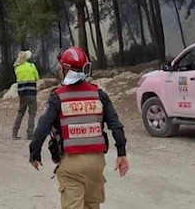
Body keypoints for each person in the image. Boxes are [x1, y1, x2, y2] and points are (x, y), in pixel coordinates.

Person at [28, 46, 129, 209]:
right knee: (92, 206)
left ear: (64, 69)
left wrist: (34, 153)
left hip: (71, 164)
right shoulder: (99, 94)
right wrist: (121, 153)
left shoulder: (58, 97)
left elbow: (42, 128)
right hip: (96, 163)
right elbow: (115, 125)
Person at [12, 50, 40, 139]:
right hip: (31, 93)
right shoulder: (32, 66)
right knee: (32, 113)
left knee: (20, 112)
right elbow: (37, 78)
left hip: (22, 94)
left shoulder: (17, 68)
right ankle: (30, 134)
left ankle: (14, 133)